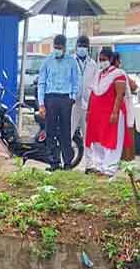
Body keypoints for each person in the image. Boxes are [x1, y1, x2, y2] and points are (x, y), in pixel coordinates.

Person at [84, 48, 134, 178]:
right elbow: (92, 92)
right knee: (98, 140)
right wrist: (89, 110)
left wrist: (115, 112)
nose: (102, 62)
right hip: (98, 114)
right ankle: (100, 166)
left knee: (111, 141)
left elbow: (120, 95)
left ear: (111, 60)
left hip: (111, 113)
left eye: (104, 60)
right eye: (100, 60)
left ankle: (109, 169)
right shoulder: (99, 74)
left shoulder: (118, 74)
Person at [38, 35, 79, 171]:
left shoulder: (71, 62)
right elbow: (41, 82)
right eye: (55, 47)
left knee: (65, 132)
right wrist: (41, 104)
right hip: (50, 98)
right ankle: (53, 162)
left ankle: (67, 162)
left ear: (65, 47)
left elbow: (75, 81)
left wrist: (72, 98)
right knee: (50, 131)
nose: (57, 50)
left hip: (65, 99)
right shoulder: (47, 61)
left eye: (60, 48)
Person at [72, 36, 98, 172]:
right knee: (68, 133)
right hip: (73, 104)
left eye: (85, 46)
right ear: (76, 47)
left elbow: (94, 86)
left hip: (87, 105)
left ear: (88, 48)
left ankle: (89, 165)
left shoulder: (93, 64)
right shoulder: (70, 61)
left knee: (89, 136)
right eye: (80, 45)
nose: (82, 48)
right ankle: (65, 161)